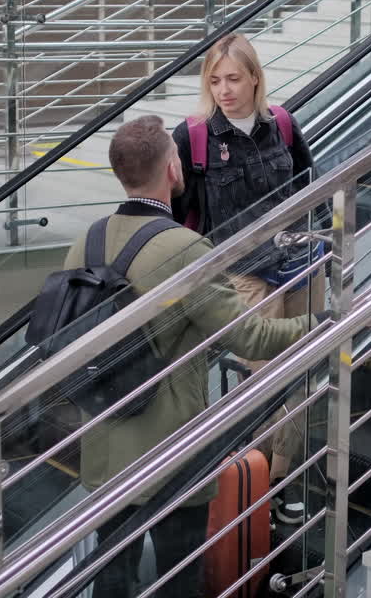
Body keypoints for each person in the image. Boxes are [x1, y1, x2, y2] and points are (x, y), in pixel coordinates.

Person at [66, 115, 322, 598]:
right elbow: (249, 337)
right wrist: (323, 320)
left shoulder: (89, 239)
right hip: (169, 450)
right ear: (171, 169)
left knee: (111, 576)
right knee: (176, 577)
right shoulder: (185, 249)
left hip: (103, 445)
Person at [171, 33, 323, 525]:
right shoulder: (194, 137)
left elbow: (308, 184)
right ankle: (251, 479)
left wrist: (323, 242)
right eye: (214, 80)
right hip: (243, 276)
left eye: (233, 78)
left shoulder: (281, 123)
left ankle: (280, 478)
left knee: (299, 373)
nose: (224, 90)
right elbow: (175, 213)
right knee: (257, 380)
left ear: (255, 77)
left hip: (300, 264)